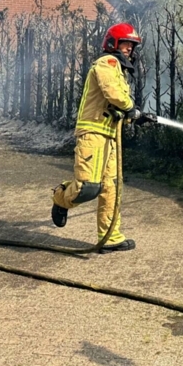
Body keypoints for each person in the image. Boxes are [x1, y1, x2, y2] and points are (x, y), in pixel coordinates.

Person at [51, 22, 155, 251]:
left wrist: (135, 116)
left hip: (109, 137)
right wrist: (130, 107)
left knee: (112, 187)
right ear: (113, 44)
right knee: (88, 187)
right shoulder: (106, 63)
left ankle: (110, 237)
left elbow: (115, 106)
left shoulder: (119, 70)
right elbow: (112, 92)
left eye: (132, 46)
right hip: (93, 134)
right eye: (126, 44)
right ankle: (60, 198)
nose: (129, 49)